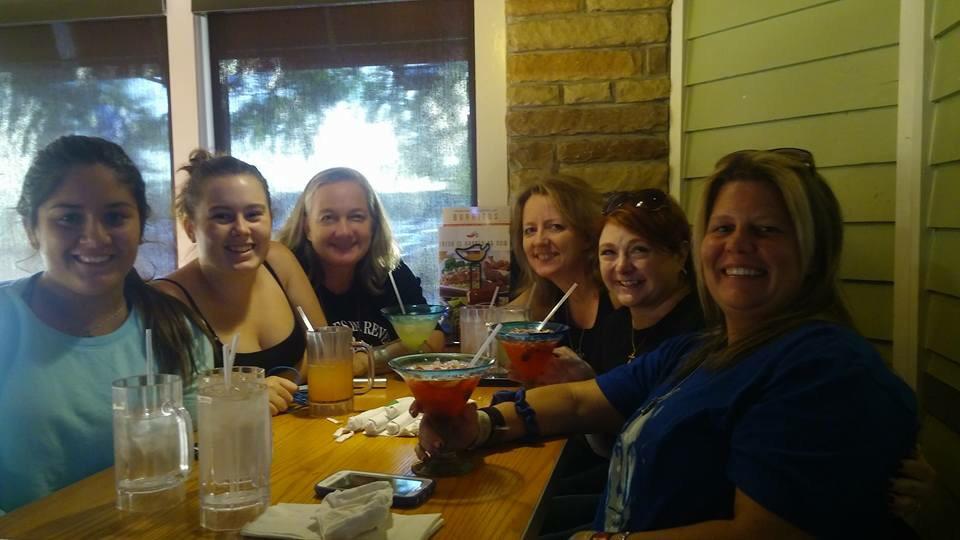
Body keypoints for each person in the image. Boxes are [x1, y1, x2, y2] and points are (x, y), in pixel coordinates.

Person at [415, 148, 919, 538]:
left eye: (766, 230)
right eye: (723, 227)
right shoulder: (707, 349)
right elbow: (580, 400)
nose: (737, 245)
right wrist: (480, 424)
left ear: (815, 251)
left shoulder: (821, 369)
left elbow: (762, 533)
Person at [0, 135, 215, 513]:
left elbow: (193, 462)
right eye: (69, 218)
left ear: (141, 225)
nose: (94, 237)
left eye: (115, 217)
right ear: (32, 229)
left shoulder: (176, 329)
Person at [151, 150, 327, 416]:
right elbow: (163, 406)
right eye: (222, 216)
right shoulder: (167, 299)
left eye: (253, 214)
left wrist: (280, 389)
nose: (241, 229)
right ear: (190, 228)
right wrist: (242, 396)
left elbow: (325, 350)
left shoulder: (279, 260)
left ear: (270, 218)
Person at [276, 167, 443, 372]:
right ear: (307, 228)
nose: (344, 231)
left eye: (356, 217)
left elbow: (433, 337)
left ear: (373, 224)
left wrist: (365, 360)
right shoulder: (282, 276)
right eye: (328, 218)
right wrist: (396, 350)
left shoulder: (391, 272)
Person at [509, 175, 613, 374]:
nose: (539, 241)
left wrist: (586, 378)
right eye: (530, 230)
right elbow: (498, 321)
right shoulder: (543, 292)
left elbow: (639, 384)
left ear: (587, 236)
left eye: (555, 227)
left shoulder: (617, 295)